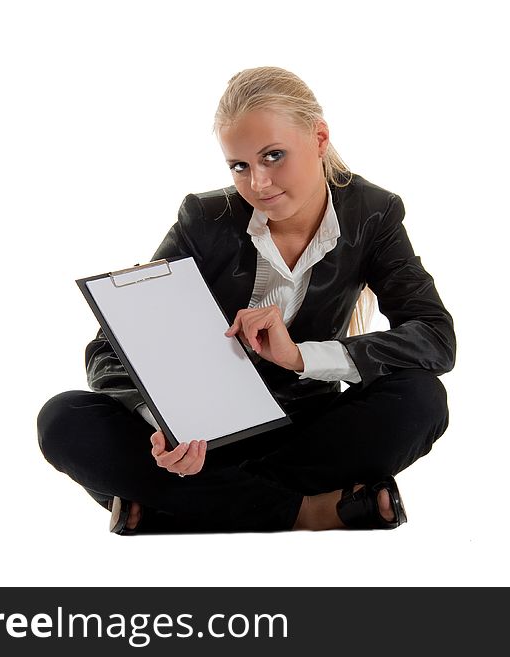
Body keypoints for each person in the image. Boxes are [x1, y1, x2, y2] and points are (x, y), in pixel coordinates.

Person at [37, 66, 455, 534]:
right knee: (63, 420)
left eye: (273, 156)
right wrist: (165, 422)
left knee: (421, 398)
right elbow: (107, 351)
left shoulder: (372, 214)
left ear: (319, 138)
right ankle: (310, 511)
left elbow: (434, 338)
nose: (258, 183)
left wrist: (300, 356)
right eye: (240, 166)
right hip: (202, 439)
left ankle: (175, 509)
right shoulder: (206, 218)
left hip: (307, 437)